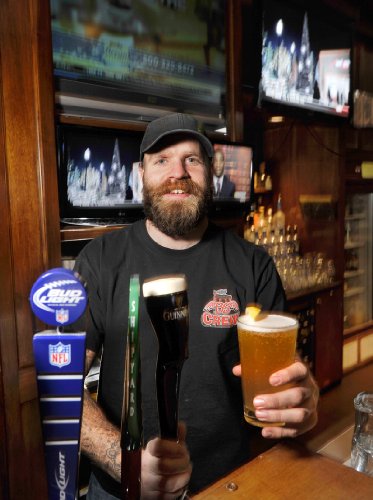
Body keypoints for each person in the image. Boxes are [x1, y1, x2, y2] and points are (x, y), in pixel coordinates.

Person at [75, 112, 319, 499]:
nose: (178, 172)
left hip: (228, 482)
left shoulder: (253, 265)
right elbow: (63, 385)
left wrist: (304, 397)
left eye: (192, 159)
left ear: (210, 171)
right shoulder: (100, 260)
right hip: (122, 485)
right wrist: (127, 463)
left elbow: (287, 375)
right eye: (162, 160)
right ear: (141, 173)